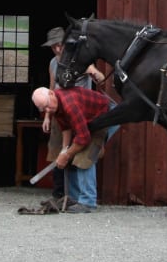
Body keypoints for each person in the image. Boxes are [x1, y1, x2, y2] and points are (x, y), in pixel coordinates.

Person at [40, 27, 104, 205]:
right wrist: (47, 116)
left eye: (60, 45)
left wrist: (93, 72)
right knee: (58, 152)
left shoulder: (79, 59)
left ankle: (86, 199)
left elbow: (100, 77)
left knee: (82, 152)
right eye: (54, 46)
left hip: (80, 111)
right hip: (60, 110)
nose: (58, 49)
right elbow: (52, 89)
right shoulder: (53, 63)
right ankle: (62, 195)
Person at [31, 85, 117, 213]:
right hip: (89, 121)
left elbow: (83, 138)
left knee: (84, 157)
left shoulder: (69, 104)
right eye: (45, 109)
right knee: (71, 156)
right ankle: (74, 199)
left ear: (51, 93)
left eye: (48, 106)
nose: (48, 109)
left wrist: (66, 155)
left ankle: (88, 202)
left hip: (108, 115)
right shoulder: (55, 105)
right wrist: (64, 151)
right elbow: (66, 128)